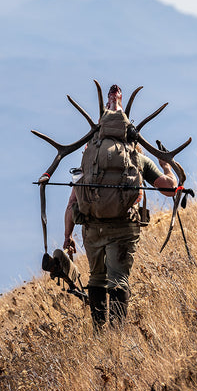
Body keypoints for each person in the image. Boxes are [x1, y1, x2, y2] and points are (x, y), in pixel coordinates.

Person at [63, 84, 178, 329]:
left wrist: (67, 236)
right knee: (119, 280)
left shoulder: (89, 159)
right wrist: (167, 166)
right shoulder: (138, 158)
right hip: (124, 227)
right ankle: (117, 335)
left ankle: (99, 333)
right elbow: (170, 189)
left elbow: (73, 202)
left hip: (93, 229)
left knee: (96, 278)